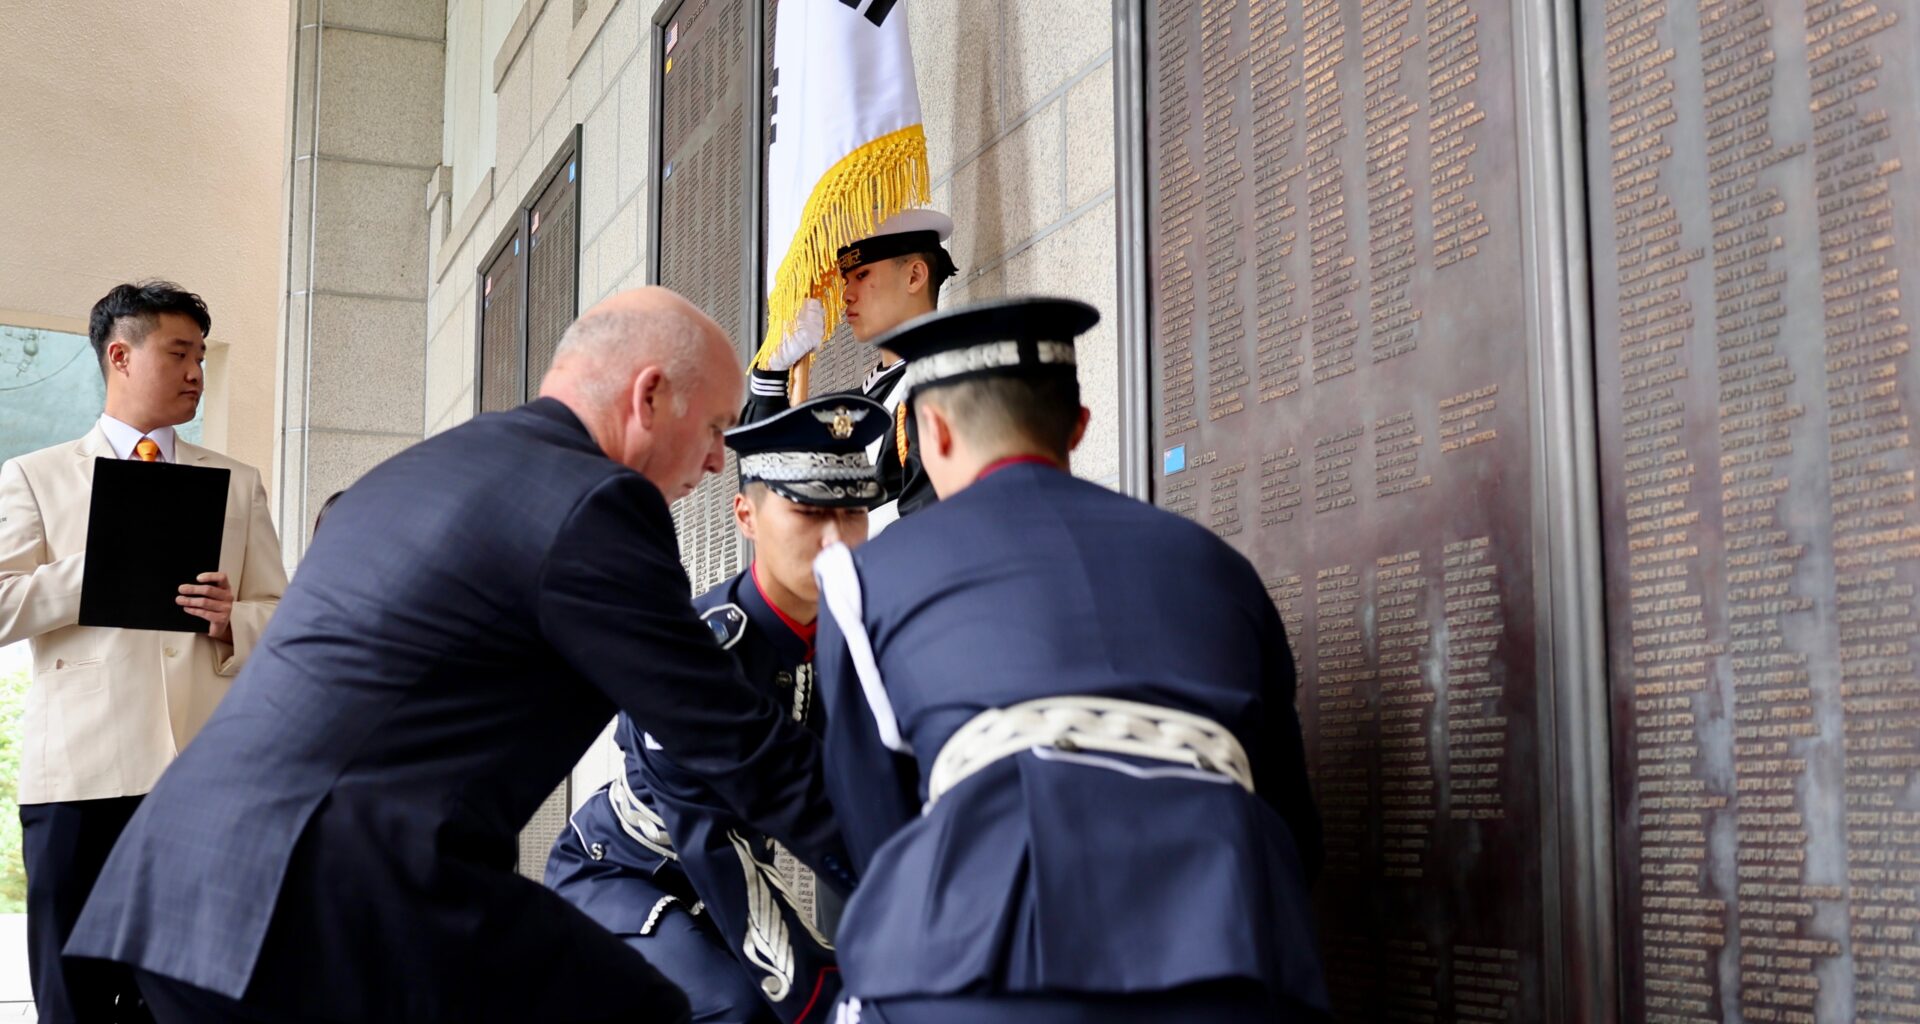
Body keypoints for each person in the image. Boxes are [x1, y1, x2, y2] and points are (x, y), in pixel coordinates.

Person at [67, 287, 853, 1024]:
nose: (719, 462)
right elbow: (730, 739)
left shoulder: (421, 470)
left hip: (184, 881)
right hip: (321, 896)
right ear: (647, 397)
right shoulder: (596, 504)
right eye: (716, 428)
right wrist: (931, 858)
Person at [810, 297, 1330, 1023]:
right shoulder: (1219, 567)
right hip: (1231, 955)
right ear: (1078, 426)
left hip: (983, 968)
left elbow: (880, 833)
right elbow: (1291, 821)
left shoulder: (862, 581)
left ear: (933, 430)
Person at [547, 393, 891, 1023]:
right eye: (808, 510)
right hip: (627, 874)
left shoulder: (863, 639)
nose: (838, 537)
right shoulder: (701, 650)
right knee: (739, 1010)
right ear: (746, 515)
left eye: (853, 509)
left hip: (730, 879)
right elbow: (709, 839)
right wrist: (826, 1001)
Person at [0, 281, 287, 1024]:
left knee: (193, 996)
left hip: (200, 779)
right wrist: (96, 568)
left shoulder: (236, 483)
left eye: (201, 356)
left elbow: (285, 620)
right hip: (79, 780)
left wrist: (233, 621)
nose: (196, 372)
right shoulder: (35, 477)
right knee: (76, 997)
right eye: (180, 353)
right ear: (120, 355)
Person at [746, 209, 958, 525]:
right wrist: (771, 372)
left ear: (914, 276)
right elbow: (765, 497)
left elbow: (929, 525)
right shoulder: (849, 408)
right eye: (846, 281)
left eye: (862, 276)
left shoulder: (946, 384)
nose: (846, 295)